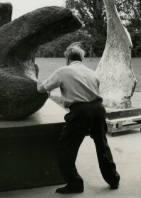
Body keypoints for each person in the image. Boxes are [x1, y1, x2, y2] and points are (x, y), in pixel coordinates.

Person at [37, 43, 120, 194]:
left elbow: (41, 89)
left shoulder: (63, 71)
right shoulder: (92, 72)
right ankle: (113, 179)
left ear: (67, 58)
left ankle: (75, 183)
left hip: (81, 111)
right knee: (102, 145)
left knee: (65, 148)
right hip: (98, 109)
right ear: (81, 58)